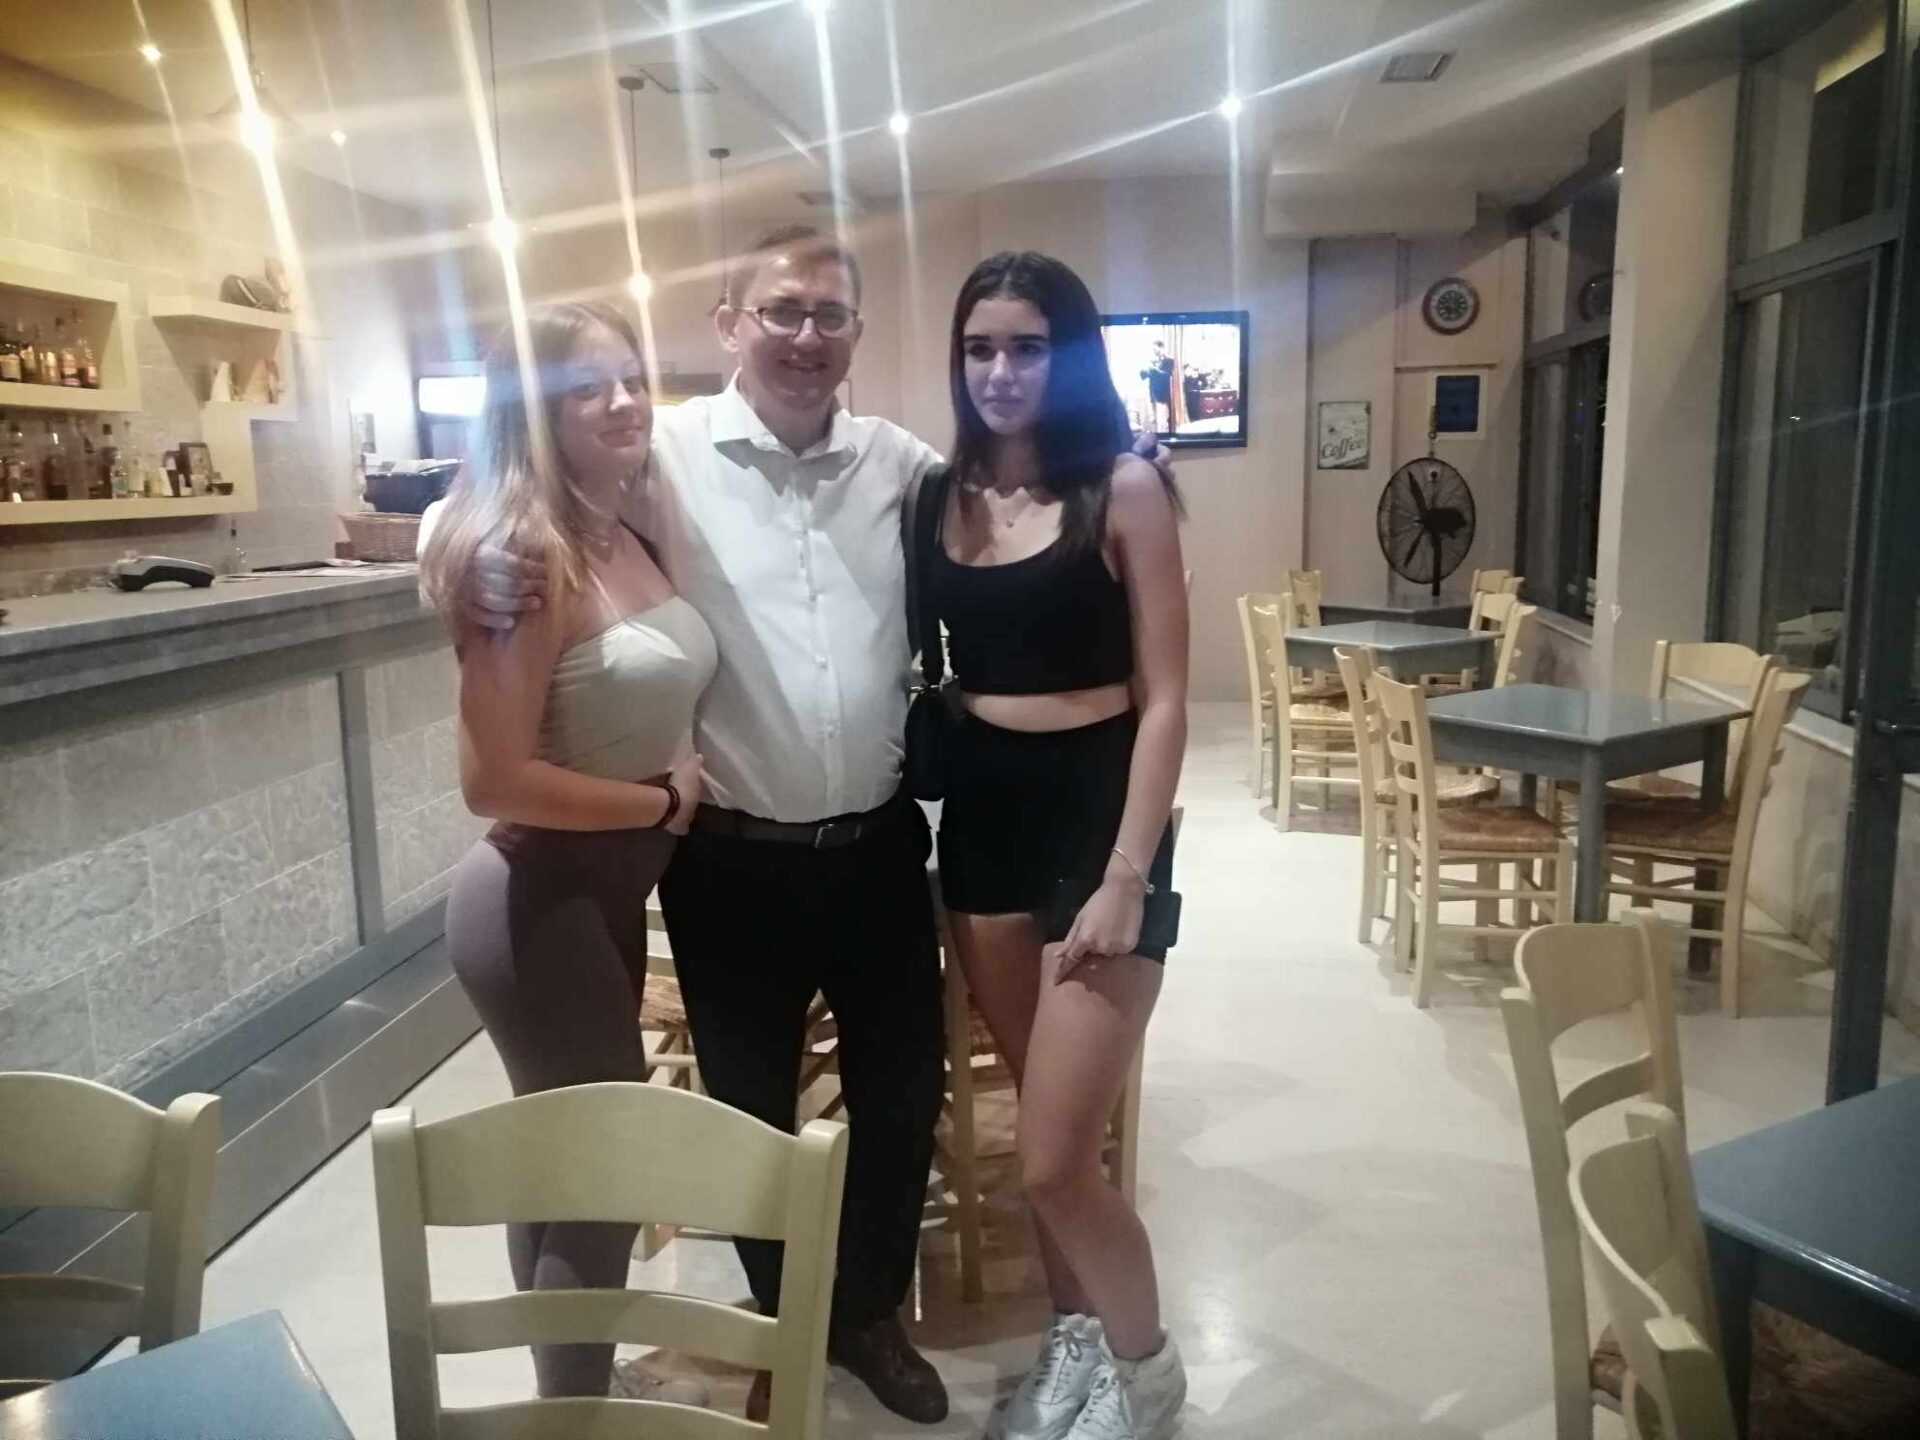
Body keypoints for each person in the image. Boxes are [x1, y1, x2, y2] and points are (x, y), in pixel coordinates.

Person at [416, 301, 716, 1406]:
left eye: (631, 376)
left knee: (565, 1166)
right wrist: (658, 801)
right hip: (534, 901)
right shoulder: (526, 555)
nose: (624, 401)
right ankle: (576, 1413)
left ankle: (568, 1392)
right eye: (587, 387)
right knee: (600, 1172)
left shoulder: (619, 526)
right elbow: (493, 779)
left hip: (597, 902)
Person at [928, 252, 1188, 1440]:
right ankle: (1072, 1343)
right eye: (979, 347)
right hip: (985, 818)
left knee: (1051, 1159)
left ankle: (1147, 1375)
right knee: (1040, 1110)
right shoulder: (942, 497)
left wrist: (1129, 874)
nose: (1000, 370)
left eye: (1026, 347)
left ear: (1068, 356)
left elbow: (1168, 699)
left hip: (1099, 818)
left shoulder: (1123, 488)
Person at [1139, 341, 1174, 433]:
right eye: (1153, 349)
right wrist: (1143, 370)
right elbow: (1144, 377)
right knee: (1153, 421)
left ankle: (1164, 439)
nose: (1154, 351)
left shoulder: (1169, 361)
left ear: (1161, 348)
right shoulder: (1152, 362)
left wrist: (1154, 369)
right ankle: (1155, 438)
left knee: (1162, 421)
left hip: (1162, 395)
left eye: (1155, 349)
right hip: (1152, 394)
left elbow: (1166, 375)